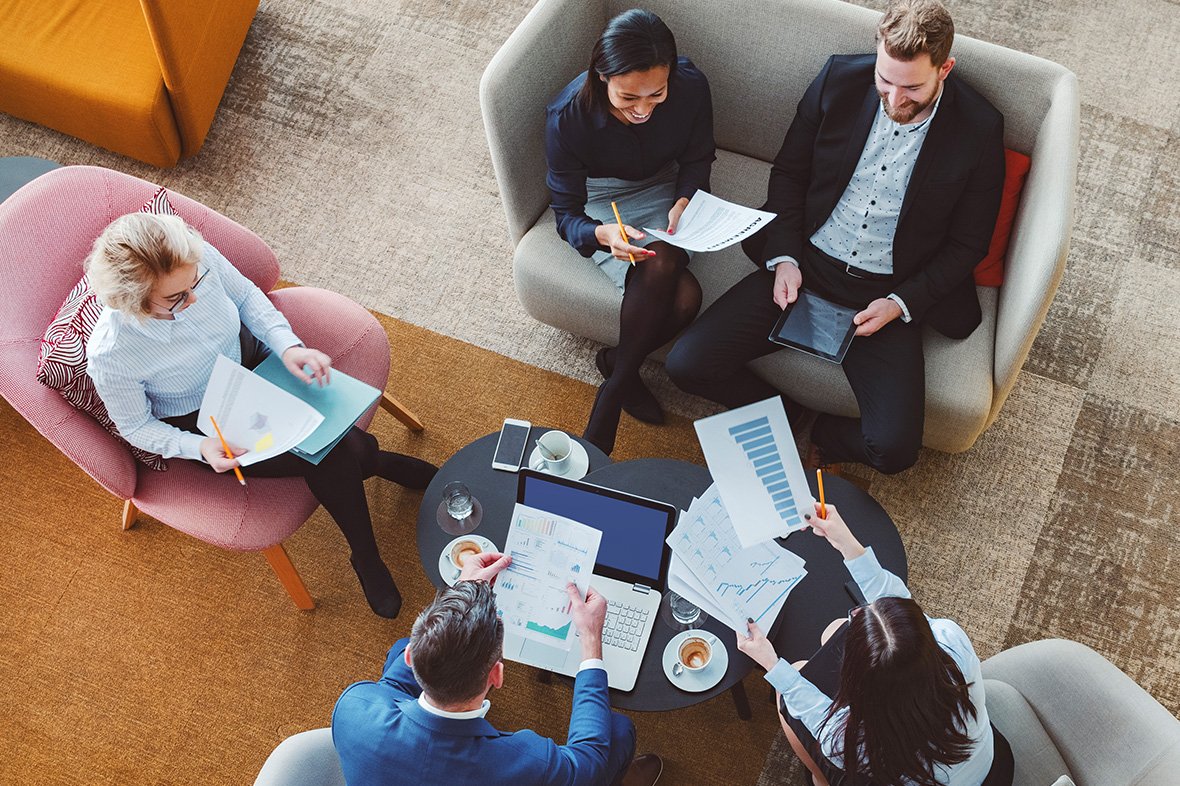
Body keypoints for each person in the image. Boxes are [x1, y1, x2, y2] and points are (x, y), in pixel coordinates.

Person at [666, 0, 1005, 475]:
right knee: (686, 365)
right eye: (885, 80)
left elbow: (969, 244)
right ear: (876, 52)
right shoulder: (837, 79)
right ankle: (782, 408)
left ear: (944, 69)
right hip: (806, 262)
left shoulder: (980, 127)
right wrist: (783, 256)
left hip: (886, 292)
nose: (893, 99)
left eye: (912, 87)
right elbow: (788, 174)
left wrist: (900, 303)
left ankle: (827, 435)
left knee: (895, 451)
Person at [84, 211, 437, 619]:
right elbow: (134, 426)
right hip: (205, 416)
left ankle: (374, 467)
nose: (194, 298)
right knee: (334, 452)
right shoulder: (113, 355)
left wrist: (287, 347)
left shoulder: (192, 261)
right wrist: (199, 447)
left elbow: (249, 297)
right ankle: (367, 547)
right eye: (176, 298)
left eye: (195, 281)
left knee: (335, 446)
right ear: (134, 303)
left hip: (252, 361)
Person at [331, 550, 664, 786]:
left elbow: (393, 683)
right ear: (497, 675)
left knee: (394, 653)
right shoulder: (529, 763)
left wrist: (462, 594)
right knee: (617, 730)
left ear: (412, 657)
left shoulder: (353, 707)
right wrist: (590, 639)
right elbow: (587, 764)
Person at [737, 504, 1014, 786]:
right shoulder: (952, 640)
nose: (856, 611)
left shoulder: (851, 742)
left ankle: (820, 780)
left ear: (858, 685)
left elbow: (814, 714)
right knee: (835, 629)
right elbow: (900, 604)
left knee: (790, 691)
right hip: (993, 769)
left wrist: (770, 663)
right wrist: (846, 542)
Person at [546, 8, 715, 455]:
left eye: (655, 95)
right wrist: (603, 234)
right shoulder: (567, 117)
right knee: (683, 294)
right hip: (604, 197)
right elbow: (565, 214)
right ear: (602, 76)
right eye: (627, 98)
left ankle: (614, 378)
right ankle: (619, 383)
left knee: (679, 284)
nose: (643, 110)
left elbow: (698, 158)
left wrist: (685, 199)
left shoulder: (691, 85)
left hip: (664, 184)